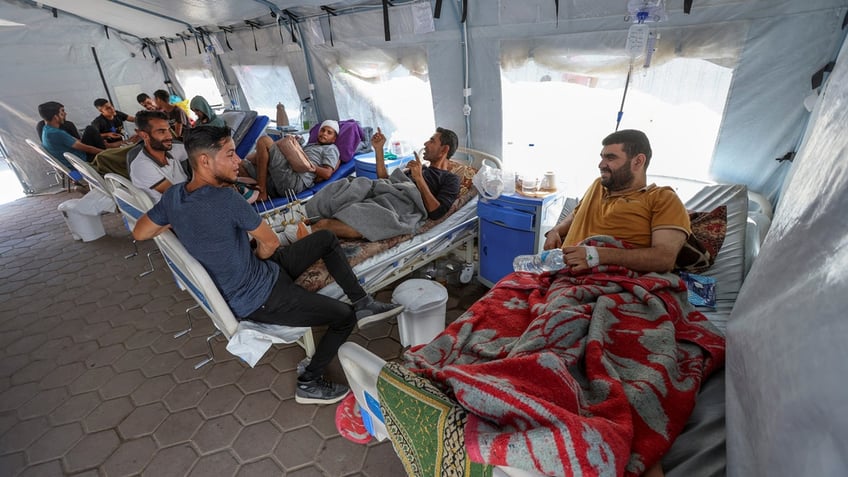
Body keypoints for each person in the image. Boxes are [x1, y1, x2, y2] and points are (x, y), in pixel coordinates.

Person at [131, 125, 403, 404]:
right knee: (343, 317)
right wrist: (261, 257)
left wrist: (184, 222)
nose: (238, 161)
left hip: (260, 274)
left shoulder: (174, 196)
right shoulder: (226, 198)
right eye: (230, 155)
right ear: (204, 161)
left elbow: (139, 232)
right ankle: (309, 381)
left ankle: (364, 302)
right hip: (260, 297)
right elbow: (270, 243)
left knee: (325, 238)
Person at [542, 128, 690, 274]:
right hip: (558, 272)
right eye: (602, 157)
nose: (601, 164)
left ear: (638, 161)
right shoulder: (597, 186)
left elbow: (664, 259)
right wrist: (555, 231)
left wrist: (595, 256)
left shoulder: (662, 198)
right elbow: (576, 214)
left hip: (603, 280)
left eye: (610, 158)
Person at [299, 127, 461, 241]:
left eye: (432, 141)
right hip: (384, 192)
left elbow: (437, 212)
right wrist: (378, 150)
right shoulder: (420, 168)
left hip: (400, 206)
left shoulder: (450, 179)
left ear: (444, 149)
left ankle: (299, 231)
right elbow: (387, 181)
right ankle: (301, 214)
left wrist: (418, 179)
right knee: (349, 184)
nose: (425, 144)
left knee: (326, 224)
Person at [240, 120, 341, 202]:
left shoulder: (331, 148)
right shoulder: (312, 145)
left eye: (329, 132)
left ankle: (261, 190)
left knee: (264, 141)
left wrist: (311, 167)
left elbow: (327, 173)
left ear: (334, 139)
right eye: (322, 130)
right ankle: (253, 187)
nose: (324, 133)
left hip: (295, 180)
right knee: (241, 163)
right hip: (281, 180)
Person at [129, 110, 189, 202]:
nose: (170, 136)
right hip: (171, 209)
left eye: (169, 130)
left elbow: (200, 151)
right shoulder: (142, 166)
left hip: (186, 200)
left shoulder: (172, 150)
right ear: (144, 135)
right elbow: (177, 195)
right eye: (161, 132)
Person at [37, 101, 104, 168]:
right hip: (82, 161)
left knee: (89, 130)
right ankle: (107, 157)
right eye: (62, 112)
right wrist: (105, 153)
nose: (65, 114)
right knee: (91, 130)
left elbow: (76, 141)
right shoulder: (57, 133)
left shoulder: (46, 129)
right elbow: (88, 149)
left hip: (73, 158)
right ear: (55, 117)